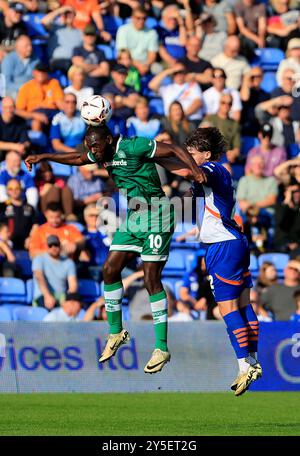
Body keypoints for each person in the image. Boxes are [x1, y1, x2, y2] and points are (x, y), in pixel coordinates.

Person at [24, 123, 205, 375]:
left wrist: (195, 171)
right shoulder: (102, 154)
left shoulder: (134, 145)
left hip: (158, 215)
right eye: (90, 147)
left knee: (150, 277)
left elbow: (173, 148)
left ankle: (161, 347)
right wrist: (44, 155)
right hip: (133, 217)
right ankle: (116, 332)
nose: (93, 152)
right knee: (109, 270)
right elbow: (76, 158)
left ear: (109, 139)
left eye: (96, 146)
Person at [167, 126, 262, 396]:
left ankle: (245, 364)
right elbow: (188, 196)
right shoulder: (208, 179)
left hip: (222, 245)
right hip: (234, 243)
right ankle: (252, 361)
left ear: (206, 154)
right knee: (243, 304)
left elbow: (191, 172)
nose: (189, 158)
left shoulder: (214, 169)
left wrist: (155, 156)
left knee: (227, 308)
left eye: (192, 154)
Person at [32, 235, 78, 309]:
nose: (53, 247)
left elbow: (73, 286)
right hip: (43, 296)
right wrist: (47, 296)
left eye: (56, 245)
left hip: (62, 297)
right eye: (50, 245)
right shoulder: (39, 259)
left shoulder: (69, 262)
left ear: (60, 246)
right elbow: (39, 278)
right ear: (46, 247)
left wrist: (68, 299)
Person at [115, 6, 159, 76]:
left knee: (158, 68)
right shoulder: (123, 30)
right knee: (124, 63)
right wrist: (139, 66)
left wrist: (146, 66)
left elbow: (152, 55)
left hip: (145, 65)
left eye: (144, 18)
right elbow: (123, 53)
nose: (141, 21)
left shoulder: (152, 33)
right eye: (138, 18)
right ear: (132, 18)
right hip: (128, 62)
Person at [41, 5, 83, 74]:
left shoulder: (80, 32)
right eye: (66, 14)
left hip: (73, 62)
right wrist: (61, 10)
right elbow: (44, 21)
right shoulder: (55, 28)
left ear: (74, 16)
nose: (68, 16)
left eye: (70, 14)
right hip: (56, 61)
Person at [201, 92, 241, 165]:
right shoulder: (209, 119)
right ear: (219, 103)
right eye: (223, 102)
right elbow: (200, 139)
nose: (226, 105)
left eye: (229, 103)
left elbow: (237, 147)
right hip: (210, 155)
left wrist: (233, 153)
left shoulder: (235, 124)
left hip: (225, 156)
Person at [0, 178, 38, 250]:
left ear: (21, 189)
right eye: (11, 189)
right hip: (5, 246)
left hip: (27, 245)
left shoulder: (29, 207)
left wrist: (31, 238)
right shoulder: (2, 206)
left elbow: (35, 226)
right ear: (7, 191)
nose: (14, 191)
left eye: (17, 188)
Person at [72, 24, 110, 94]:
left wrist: (85, 70)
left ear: (95, 36)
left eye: (92, 35)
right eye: (87, 34)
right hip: (83, 87)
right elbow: (79, 67)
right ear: (83, 36)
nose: (89, 37)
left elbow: (105, 71)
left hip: (99, 88)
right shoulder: (77, 50)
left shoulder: (100, 52)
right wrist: (97, 66)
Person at [1, 35, 39, 99]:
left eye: (30, 45)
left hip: (32, 90)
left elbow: (40, 77)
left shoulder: (35, 60)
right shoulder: (9, 60)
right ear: (18, 47)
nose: (30, 48)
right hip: (15, 91)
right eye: (26, 46)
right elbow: (6, 84)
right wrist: (24, 87)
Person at [240, 66, 270, 136]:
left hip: (259, 130)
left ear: (262, 77)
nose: (255, 78)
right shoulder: (244, 90)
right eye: (253, 76)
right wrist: (247, 79)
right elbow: (244, 97)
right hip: (245, 128)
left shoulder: (265, 94)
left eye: (258, 76)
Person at [0, 96, 30, 160]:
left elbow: (26, 141)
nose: (9, 110)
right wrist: (14, 146)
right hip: (2, 152)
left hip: (17, 152)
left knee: (28, 152)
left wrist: (23, 146)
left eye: (11, 107)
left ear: (15, 107)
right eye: (6, 107)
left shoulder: (21, 121)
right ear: (2, 108)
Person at [274, 182, 300, 254]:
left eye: (298, 191)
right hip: (282, 245)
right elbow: (282, 224)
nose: (297, 194)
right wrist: (287, 200)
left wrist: (297, 243)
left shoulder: (298, 210)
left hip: (297, 245)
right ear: (286, 193)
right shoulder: (280, 208)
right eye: (293, 192)